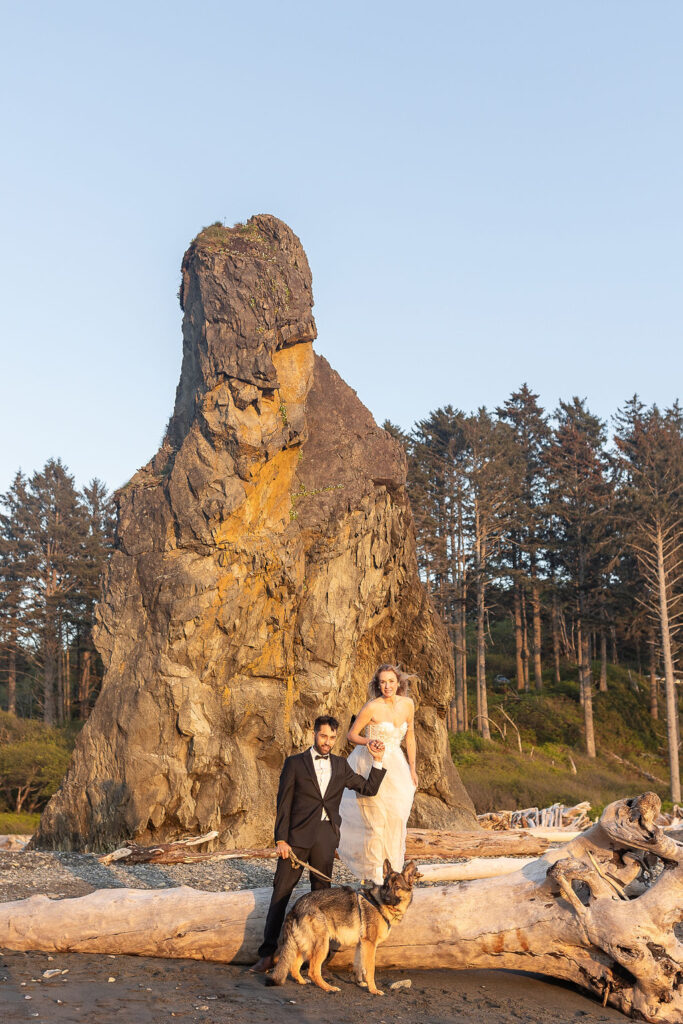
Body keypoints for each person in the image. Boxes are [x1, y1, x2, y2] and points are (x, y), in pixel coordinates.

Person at [250, 714, 386, 974]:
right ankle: (267, 955)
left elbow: (368, 788)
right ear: (314, 734)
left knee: (323, 899)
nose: (328, 742)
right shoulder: (295, 764)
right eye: (324, 736)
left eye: (333, 738)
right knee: (281, 894)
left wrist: (377, 762)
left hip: (325, 839)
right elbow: (284, 804)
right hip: (296, 840)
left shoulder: (340, 765)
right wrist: (280, 839)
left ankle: (317, 958)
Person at [337, 664, 417, 885]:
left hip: (396, 767)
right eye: (383, 682)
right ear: (377, 684)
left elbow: (410, 737)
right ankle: (374, 876)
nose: (387, 686)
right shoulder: (372, 707)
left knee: (396, 818)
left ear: (398, 682)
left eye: (391, 681)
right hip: (369, 762)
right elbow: (352, 734)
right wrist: (369, 741)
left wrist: (412, 767)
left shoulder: (408, 704)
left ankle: (393, 870)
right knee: (376, 823)